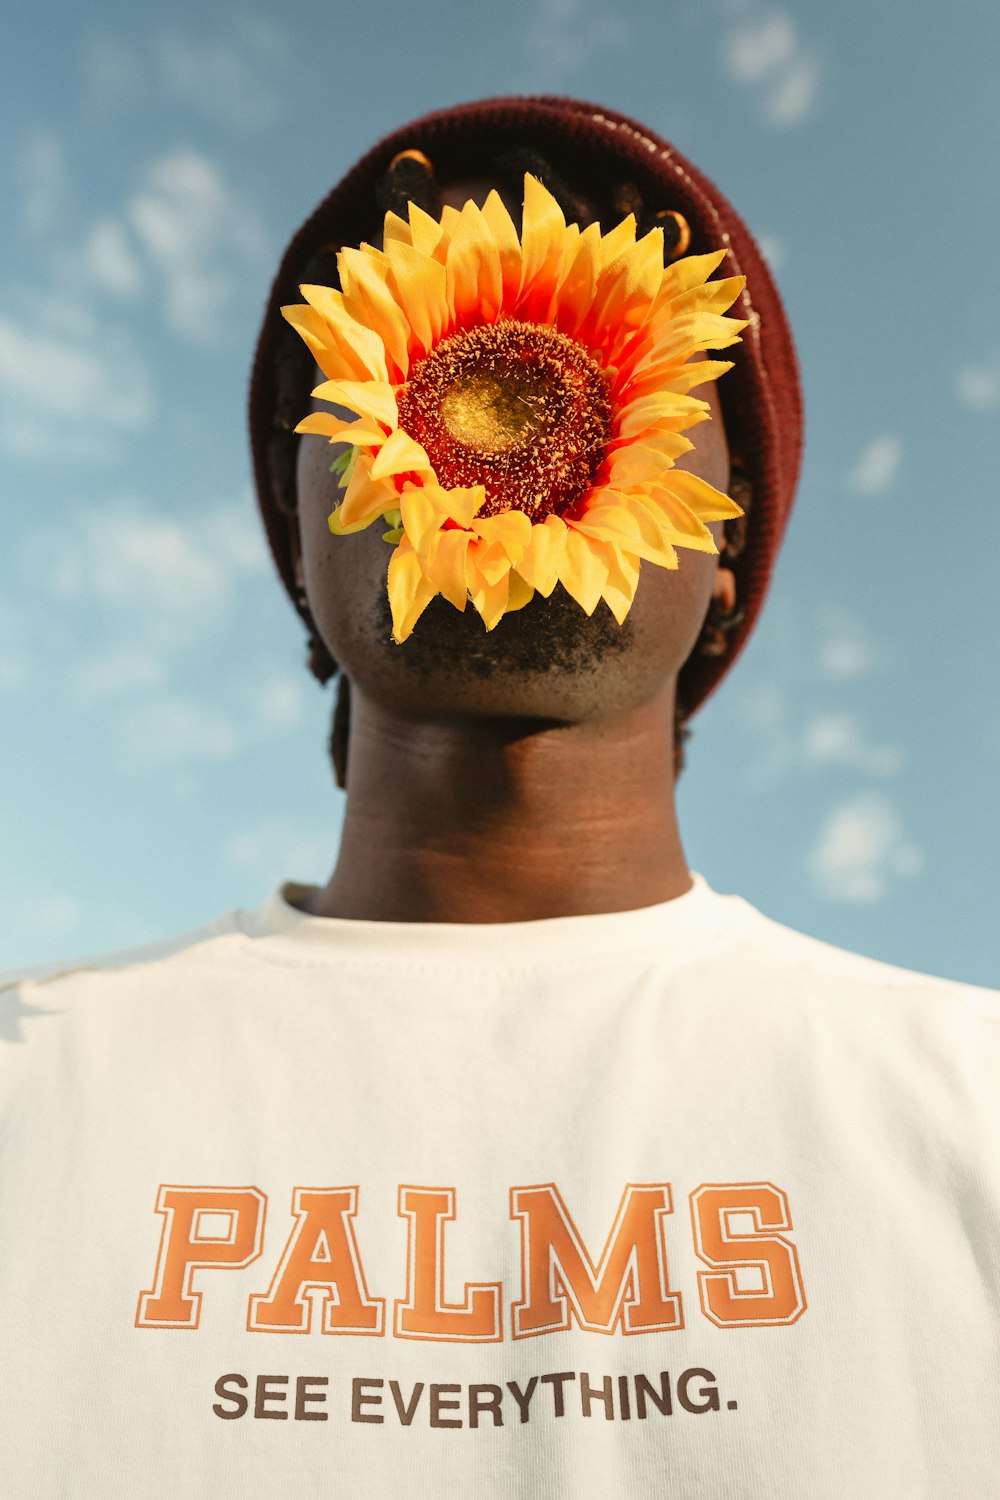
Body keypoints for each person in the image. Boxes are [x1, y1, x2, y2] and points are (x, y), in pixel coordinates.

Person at [1, 95, 997, 1499]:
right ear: (303, 528)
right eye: (383, 355)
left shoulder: (972, 1103)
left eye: (640, 352)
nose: (477, 386)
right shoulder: (29, 1086)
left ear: (726, 549)